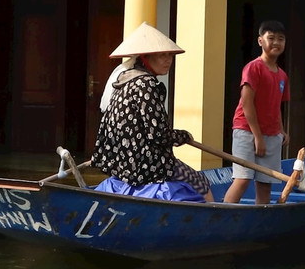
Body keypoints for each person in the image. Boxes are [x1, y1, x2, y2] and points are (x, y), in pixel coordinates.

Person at [92, 22, 213, 203]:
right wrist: (184, 136)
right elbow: (158, 134)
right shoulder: (147, 84)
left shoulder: (125, 79)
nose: (168, 60)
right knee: (202, 183)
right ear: (146, 57)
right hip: (146, 163)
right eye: (161, 56)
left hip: (120, 160)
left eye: (170, 56)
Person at [224, 20, 290, 205]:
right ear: (260, 41)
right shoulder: (254, 67)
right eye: (271, 38)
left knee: (265, 182)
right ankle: (223, 219)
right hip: (246, 131)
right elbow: (246, 103)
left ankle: (261, 225)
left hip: (271, 134)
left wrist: (281, 130)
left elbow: (276, 104)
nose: (276, 43)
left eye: (281, 39)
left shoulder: (282, 75)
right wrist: (257, 137)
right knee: (243, 179)